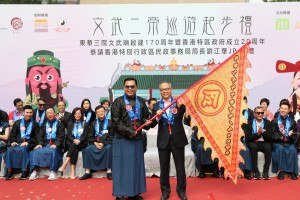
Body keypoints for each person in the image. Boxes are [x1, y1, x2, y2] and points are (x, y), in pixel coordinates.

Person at [111, 77, 151, 200]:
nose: (130, 89)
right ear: (124, 88)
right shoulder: (117, 102)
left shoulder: (141, 101)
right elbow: (115, 122)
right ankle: (120, 194)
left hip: (137, 139)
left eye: (132, 86)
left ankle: (134, 193)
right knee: (122, 168)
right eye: (127, 86)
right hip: (123, 139)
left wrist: (147, 121)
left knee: (135, 167)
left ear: (136, 88)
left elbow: (145, 117)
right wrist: (129, 132)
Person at [151, 81, 190, 200]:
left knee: (180, 167)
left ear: (171, 90)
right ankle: (165, 191)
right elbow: (152, 124)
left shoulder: (179, 103)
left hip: (178, 138)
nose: (165, 91)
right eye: (162, 90)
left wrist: (188, 107)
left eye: (167, 89)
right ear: (160, 91)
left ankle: (181, 190)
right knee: (164, 167)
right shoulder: (156, 106)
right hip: (163, 140)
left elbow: (188, 117)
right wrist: (157, 117)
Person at [29, 107, 65, 181]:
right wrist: (40, 144)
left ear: (55, 114)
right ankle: (35, 171)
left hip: (56, 145)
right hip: (45, 144)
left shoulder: (60, 124)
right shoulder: (43, 124)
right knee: (34, 152)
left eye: (51, 113)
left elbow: (61, 136)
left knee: (53, 151)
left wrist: (56, 144)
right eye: (47, 113)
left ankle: (53, 171)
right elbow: (40, 136)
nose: (49, 114)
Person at [5, 105, 39, 180]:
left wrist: (28, 142)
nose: (29, 114)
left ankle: (25, 171)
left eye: (30, 112)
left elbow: (37, 137)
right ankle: (10, 171)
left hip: (29, 143)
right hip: (18, 143)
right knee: (10, 150)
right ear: (23, 113)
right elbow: (13, 134)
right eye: (27, 112)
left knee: (23, 149)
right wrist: (13, 141)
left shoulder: (35, 124)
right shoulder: (17, 123)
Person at [79, 105, 113, 180]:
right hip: (95, 143)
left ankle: (109, 171)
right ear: (96, 114)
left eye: (102, 111)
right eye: (99, 112)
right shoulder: (93, 123)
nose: (101, 113)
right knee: (87, 149)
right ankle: (88, 172)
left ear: (104, 112)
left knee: (109, 149)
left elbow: (112, 137)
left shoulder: (110, 123)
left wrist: (103, 143)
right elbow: (90, 136)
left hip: (106, 144)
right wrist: (95, 143)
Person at [241, 106, 273, 180]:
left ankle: (265, 172)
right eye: (258, 113)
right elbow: (248, 138)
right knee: (253, 147)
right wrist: (257, 134)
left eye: (262, 113)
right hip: (253, 142)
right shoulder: (249, 123)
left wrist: (263, 133)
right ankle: (256, 171)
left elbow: (270, 138)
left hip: (264, 142)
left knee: (268, 147)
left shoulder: (267, 123)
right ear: (254, 114)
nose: (260, 114)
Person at [58, 107, 88, 179]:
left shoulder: (85, 124)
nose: (77, 115)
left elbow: (85, 135)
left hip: (82, 143)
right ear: (73, 115)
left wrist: (79, 140)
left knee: (75, 145)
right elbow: (69, 135)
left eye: (79, 113)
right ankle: (72, 172)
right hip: (72, 143)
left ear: (81, 114)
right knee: (75, 150)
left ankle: (64, 164)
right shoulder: (70, 123)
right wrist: (74, 140)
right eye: (75, 114)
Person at [271, 100, 298, 180]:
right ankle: (281, 171)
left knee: (293, 149)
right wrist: (281, 136)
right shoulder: (274, 121)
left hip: (288, 142)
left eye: (285, 109)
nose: (283, 110)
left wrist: (291, 135)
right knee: (280, 149)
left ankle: (292, 171)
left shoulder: (293, 122)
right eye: (282, 108)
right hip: (278, 143)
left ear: (289, 110)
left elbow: (296, 136)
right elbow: (272, 135)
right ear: (279, 109)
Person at [240, 96, 253, 180]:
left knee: (247, 150)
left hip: (246, 137)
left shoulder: (251, 112)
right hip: (234, 137)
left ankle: (247, 171)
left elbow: (252, 126)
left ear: (247, 101)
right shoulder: (233, 111)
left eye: (244, 102)